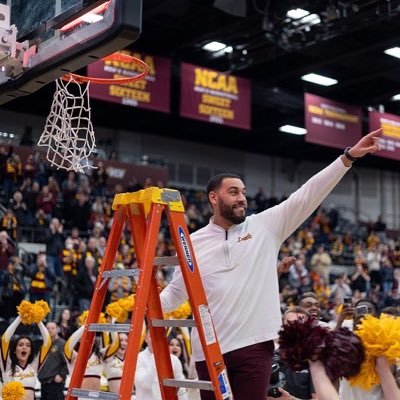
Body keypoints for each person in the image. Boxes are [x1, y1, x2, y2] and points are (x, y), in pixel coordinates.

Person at [160, 129, 382, 400]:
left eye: (243, 192)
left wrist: (347, 158)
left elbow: (307, 194)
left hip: (254, 346)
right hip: (208, 349)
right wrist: (141, 303)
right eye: (233, 192)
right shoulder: (192, 241)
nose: (242, 198)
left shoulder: (265, 226)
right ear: (213, 198)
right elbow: (174, 294)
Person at [0, 315, 52, 400]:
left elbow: (48, 343)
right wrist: (20, 317)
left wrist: (38, 320)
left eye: (28, 345)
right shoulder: (7, 366)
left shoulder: (34, 367)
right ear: (14, 350)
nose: (24, 347)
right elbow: (4, 340)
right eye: (20, 345)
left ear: (30, 351)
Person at [135, 331, 188, 400]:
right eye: (152, 336)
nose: (155, 339)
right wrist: (155, 356)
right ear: (145, 338)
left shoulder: (174, 359)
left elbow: (181, 391)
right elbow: (145, 384)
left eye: (158, 337)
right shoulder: (138, 358)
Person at [38, 321, 69, 400]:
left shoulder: (62, 344)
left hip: (55, 383)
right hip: (44, 382)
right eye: (47, 328)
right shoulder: (44, 344)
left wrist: (61, 375)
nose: (50, 330)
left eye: (52, 328)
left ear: (57, 329)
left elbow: (68, 362)